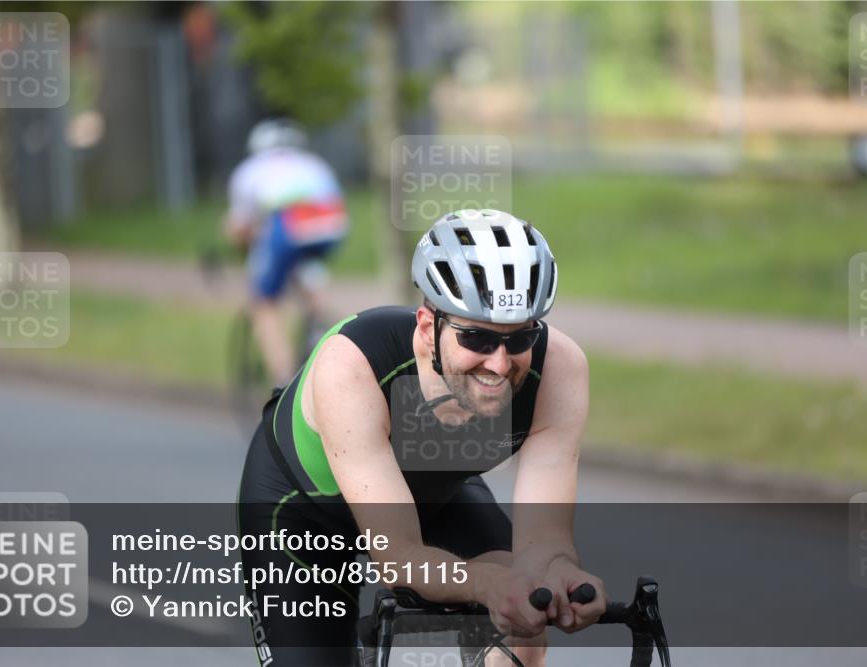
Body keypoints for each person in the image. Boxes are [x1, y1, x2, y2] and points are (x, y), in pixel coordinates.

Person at [238, 209, 606, 666]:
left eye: (519, 338)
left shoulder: (559, 369)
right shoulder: (353, 366)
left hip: (434, 491)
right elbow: (398, 558)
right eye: (477, 338)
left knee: (524, 631)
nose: (499, 363)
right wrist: (488, 583)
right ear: (429, 327)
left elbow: (544, 539)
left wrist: (559, 573)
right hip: (304, 510)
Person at [224, 118, 348, 385]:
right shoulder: (313, 163)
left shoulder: (249, 170)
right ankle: (319, 326)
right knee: (306, 271)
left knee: (264, 304)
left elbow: (239, 226)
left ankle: (283, 382)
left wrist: (243, 247)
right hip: (330, 220)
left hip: (289, 220)